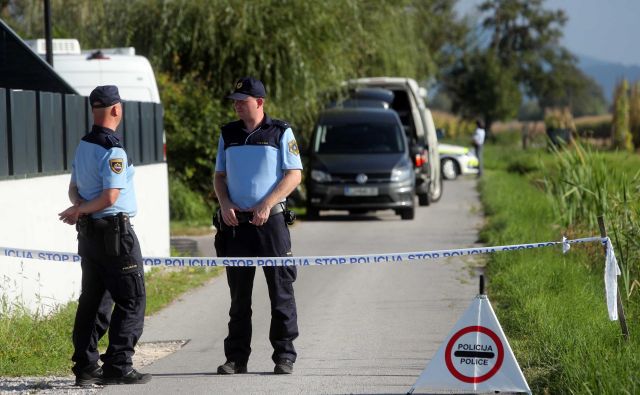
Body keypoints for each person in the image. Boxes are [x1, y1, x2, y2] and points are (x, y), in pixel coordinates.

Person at [58, 85, 151, 386]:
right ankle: (118, 365)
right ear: (116, 109)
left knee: (93, 301)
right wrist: (81, 210)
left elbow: (73, 188)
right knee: (132, 299)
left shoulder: (84, 144)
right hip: (115, 234)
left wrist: (79, 209)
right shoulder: (113, 148)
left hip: (90, 237)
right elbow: (111, 196)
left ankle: (85, 368)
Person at [213, 77, 303, 375]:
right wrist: (224, 203)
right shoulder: (228, 133)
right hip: (237, 225)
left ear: (260, 102)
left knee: (281, 292)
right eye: (235, 101)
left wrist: (268, 202)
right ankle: (236, 358)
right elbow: (220, 177)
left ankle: (284, 356)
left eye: (243, 100)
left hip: (271, 222)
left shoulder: (280, 132)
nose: (237, 105)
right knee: (239, 298)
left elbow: (294, 175)